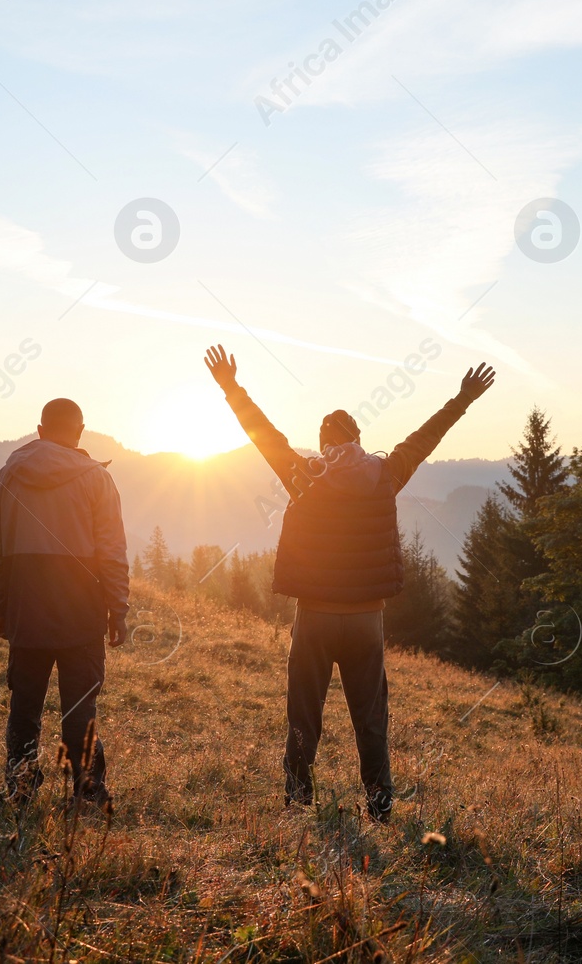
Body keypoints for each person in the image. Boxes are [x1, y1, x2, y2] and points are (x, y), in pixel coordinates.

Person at [203, 344, 495, 822]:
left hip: (314, 617)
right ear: (359, 438)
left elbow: (264, 435)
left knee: (304, 716)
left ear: (323, 444)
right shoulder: (385, 473)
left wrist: (230, 386)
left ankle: (298, 803)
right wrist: (462, 397)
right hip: (366, 620)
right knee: (370, 719)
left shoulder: (304, 475)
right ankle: (379, 806)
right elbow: (425, 438)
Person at [0, 398, 129, 809]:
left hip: (26, 610)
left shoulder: (7, 476)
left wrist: (1, 608)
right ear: (80, 431)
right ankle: (87, 791)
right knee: (80, 706)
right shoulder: (97, 479)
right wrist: (118, 608)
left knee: (25, 705)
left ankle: (20, 788)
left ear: (40, 429)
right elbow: (112, 550)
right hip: (81, 612)